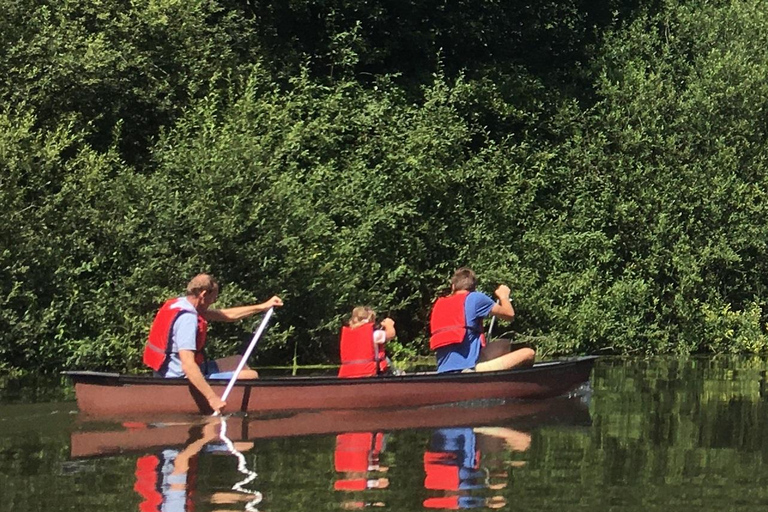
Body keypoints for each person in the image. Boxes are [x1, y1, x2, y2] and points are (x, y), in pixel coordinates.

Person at [143, 273, 283, 413]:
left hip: (165, 370)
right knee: (251, 375)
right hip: (177, 377)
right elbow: (188, 366)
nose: (213, 302)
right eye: (213, 298)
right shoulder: (188, 319)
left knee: (238, 361)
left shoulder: (180, 304)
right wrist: (212, 398)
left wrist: (263, 306)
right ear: (203, 294)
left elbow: (228, 315)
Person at [429, 267, 535, 373]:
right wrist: (504, 296)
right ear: (474, 287)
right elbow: (509, 314)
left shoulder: (439, 304)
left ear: (453, 287)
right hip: (467, 370)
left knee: (504, 344)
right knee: (528, 353)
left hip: (443, 370)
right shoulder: (476, 298)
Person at [338, 307, 396, 378]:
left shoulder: (347, 334)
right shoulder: (375, 334)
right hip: (368, 374)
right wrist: (389, 324)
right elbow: (391, 334)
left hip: (346, 375)